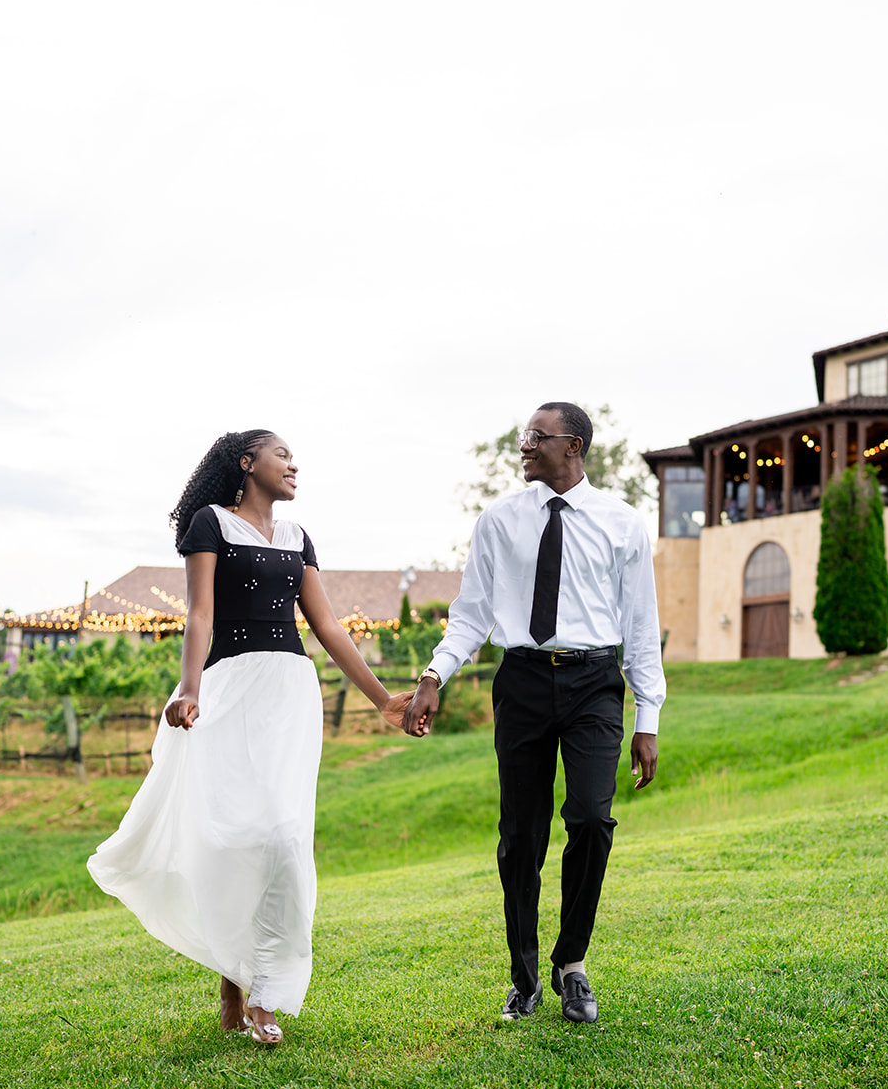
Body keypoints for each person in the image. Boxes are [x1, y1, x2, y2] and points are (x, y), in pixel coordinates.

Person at [88, 429, 412, 1045]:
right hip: (228, 691)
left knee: (285, 836)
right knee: (238, 836)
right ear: (248, 463)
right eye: (282, 454)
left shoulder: (298, 537)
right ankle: (232, 981)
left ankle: (265, 994)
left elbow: (327, 625)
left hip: (290, 693)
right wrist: (189, 689)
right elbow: (200, 614)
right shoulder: (211, 524)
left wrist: (381, 698)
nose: (294, 464)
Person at [402, 402, 664, 1025]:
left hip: (595, 683)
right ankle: (524, 977)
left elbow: (640, 626)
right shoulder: (499, 521)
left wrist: (647, 717)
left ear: (572, 446)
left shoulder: (623, 524)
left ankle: (571, 964)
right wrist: (436, 673)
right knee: (520, 838)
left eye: (535, 438)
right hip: (519, 681)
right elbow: (471, 613)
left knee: (592, 821)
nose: (522, 446)